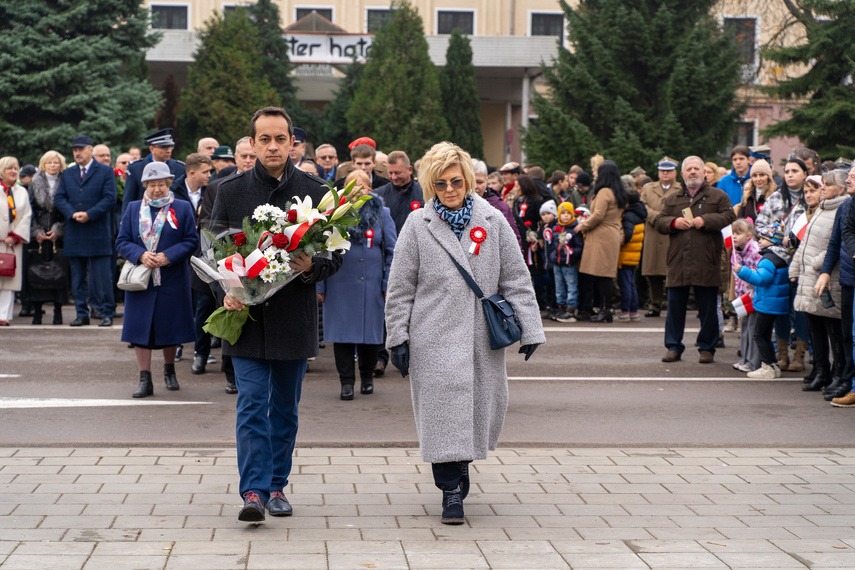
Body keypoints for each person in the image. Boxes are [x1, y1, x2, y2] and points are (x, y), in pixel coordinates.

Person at [384, 141, 545, 525]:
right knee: (442, 414)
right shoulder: (418, 225)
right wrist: (398, 338)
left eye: (456, 181)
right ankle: (450, 491)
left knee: (473, 413)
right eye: (440, 184)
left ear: (469, 180)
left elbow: (517, 278)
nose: (450, 190)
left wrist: (531, 329)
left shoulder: (493, 221)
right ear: (430, 186)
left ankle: (460, 468)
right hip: (431, 336)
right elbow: (400, 287)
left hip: (479, 336)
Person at [209, 106, 343, 522]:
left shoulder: (317, 191)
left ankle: (276, 486)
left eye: (280, 139)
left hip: (292, 318)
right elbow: (212, 250)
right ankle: (252, 492)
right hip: (244, 319)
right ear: (251, 143)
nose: (272, 146)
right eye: (263, 139)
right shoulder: (229, 191)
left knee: (285, 407)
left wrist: (311, 266)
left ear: (292, 143)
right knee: (251, 403)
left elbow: (336, 253)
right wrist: (226, 291)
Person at [116, 162, 198, 398]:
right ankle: (144, 379)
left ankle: (170, 371)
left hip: (171, 278)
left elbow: (191, 240)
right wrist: (140, 254)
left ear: (169, 184)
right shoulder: (133, 208)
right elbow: (121, 241)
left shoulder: (181, 208)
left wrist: (168, 256)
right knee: (140, 329)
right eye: (152, 184)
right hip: (141, 280)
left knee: (170, 326)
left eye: (161, 184)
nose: (157, 189)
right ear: (145, 185)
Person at [318, 169, 396, 400]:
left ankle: (367, 377)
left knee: (370, 336)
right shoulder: (331, 214)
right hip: (338, 283)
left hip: (372, 285)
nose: (357, 191)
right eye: (353, 186)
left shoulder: (383, 213)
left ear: (369, 189)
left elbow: (392, 251)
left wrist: (387, 282)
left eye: (362, 186)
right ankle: (346, 382)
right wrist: (320, 286)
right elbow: (322, 251)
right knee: (342, 336)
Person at [655, 156, 736, 363]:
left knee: (708, 308)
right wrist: (673, 223)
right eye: (688, 169)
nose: (693, 172)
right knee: (674, 307)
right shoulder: (672, 199)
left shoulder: (718, 196)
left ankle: (707, 348)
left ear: (704, 172)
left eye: (696, 169)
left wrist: (706, 220)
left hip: (706, 260)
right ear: (682, 174)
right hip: (678, 261)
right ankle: (673, 347)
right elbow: (659, 222)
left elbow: (729, 216)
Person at [198, 136, 256, 394]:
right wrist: (226, 253)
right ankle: (230, 373)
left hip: (259, 261)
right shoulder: (217, 187)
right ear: (234, 159)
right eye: (243, 156)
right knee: (229, 309)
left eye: (252, 156)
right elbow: (208, 226)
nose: (247, 160)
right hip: (228, 259)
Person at [790, 173, 847, 392]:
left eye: (828, 185)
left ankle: (838, 373)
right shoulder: (822, 208)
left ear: (840, 189)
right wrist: (796, 267)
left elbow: (836, 245)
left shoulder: (841, 210)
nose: (823, 188)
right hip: (810, 278)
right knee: (814, 326)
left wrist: (815, 264)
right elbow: (805, 244)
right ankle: (821, 371)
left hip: (828, 278)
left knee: (833, 329)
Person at [53, 135, 117, 327]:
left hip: (97, 230)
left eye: (81, 149)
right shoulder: (68, 173)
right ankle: (82, 314)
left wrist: (89, 214)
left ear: (91, 150)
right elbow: (59, 198)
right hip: (75, 231)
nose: (77, 152)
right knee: (78, 277)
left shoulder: (105, 171)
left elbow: (109, 198)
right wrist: (72, 214)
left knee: (102, 277)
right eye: (75, 150)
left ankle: (107, 312)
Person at [756, 157, 810, 372]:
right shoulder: (775, 198)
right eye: (786, 171)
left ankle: (800, 355)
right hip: (779, 263)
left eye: (795, 171)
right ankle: (782, 355)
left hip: (804, 262)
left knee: (802, 311)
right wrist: (780, 240)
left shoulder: (812, 198)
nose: (789, 175)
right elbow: (760, 227)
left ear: (805, 174)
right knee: (781, 310)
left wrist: (786, 240)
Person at [815, 169, 854, 401]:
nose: (848, 180)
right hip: (848, 280)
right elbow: (834, 243)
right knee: (847, 334)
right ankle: (847, 380)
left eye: (853, 176)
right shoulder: (846, 207)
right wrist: (825, 272)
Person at [734, 222, 790, 378]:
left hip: (767, 303)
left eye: (763, 238)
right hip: (775, 303)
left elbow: (761, 280)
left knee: (759, 335)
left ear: (771, 241)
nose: (759, 241)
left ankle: (768, 366)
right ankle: (772, 365)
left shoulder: (767, 260)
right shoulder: (781, 255)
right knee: (765, 335)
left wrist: (743, 271)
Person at [574, 161, 626, 323]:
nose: (595, 175)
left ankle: (604, 310)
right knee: (605, 275)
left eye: (598, 172)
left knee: (602, 275)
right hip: (609, 235)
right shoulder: (616, 191)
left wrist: (582, 226)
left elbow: (598, 215)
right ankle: (604, 309)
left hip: (601, 236)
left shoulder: (604, 192)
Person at [25, 151, 69, 325]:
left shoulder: (65, 180)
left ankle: (58, 311)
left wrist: (59, 229)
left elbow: (67, 207)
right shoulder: (35, 181)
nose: (53, 165)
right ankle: (37, 312)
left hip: (58, 235)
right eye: (49, 162)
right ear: (43, 163)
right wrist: (36, 231)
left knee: (59, 271)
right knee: (36, 271)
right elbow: (28, 209)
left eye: (56, 163)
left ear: (61, 165)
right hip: (39, 235)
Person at [641, 157, 681, 317]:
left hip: (673, 233)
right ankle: (655, 304)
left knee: (673, 273)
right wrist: (658, 218)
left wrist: (667, 220)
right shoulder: (648, 188)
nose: (665, 173)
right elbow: (642, 207)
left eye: (669, 170)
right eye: (662, 170)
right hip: (652, 233)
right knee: (653, 274)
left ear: (675, 172)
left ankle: (674, 304)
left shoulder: (680, 188)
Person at [122, 129, 186, 216]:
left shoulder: (180, 168)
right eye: (164, 147)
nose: (168, 150)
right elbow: (128, 199)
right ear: (152, 149)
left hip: (173, 219)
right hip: (143, 219)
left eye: (170, 146)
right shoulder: (135, 168)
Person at [0, 157, 32, 325]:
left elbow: (26, 216)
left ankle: (3, 315)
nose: (13, 171)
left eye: (15, 168)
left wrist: (16, 235)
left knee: (9, 278)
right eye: (9, 168)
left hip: (12, 244)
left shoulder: (21, 192)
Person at [730, 219, 763, 372]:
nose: (735, 236)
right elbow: (734, 271)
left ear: (749, 235)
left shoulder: (756, 250)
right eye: (733, 233)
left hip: (754, 294)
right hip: (742, 295)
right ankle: (744, 358)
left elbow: (759, 272)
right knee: (743, 327)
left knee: (753, 328)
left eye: (739, 233)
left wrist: (753, 287)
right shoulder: (736, 251)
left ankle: (753, 362)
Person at [547, 202, 583, 322]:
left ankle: (571, 308)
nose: (566, 216)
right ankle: (560, 306)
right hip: (557, 263)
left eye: (568, 213)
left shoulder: (574, 230)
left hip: (569, 264)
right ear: (559, 215)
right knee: (559, 287)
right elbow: (552, 245)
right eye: (563, 214)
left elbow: (580, 247)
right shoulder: (555, 228)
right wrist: (553, 256)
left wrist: (572, 252)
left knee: (571, 285)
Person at [472, 159, 521, 248]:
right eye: (471, 182)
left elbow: (513, 242)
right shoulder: (452, 204)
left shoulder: (499, 206)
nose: (475, 187)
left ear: (486, 180)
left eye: (480, 182)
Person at [374, 151, 424, 234]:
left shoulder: (424, 193)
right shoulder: (378, 195)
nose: (394, 177)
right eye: (390, 173)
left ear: (410, 170)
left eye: (397, 173)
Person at [617, 185, 647, 321]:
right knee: (631, 283)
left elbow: (627, 236)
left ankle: (625, 311)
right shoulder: (639, 212)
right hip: (634, 255)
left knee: (625, 284)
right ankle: (634, 310)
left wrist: (617, 238)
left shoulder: (628, 216)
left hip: (626, 255)